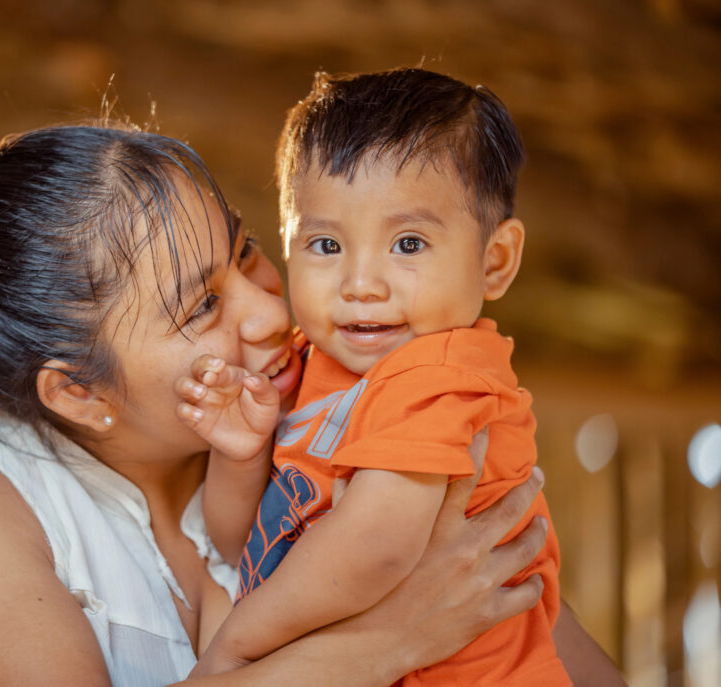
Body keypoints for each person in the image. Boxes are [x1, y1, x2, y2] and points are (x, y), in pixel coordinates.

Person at [0, 122, 614, 687]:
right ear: (78, 390)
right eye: (201, 307)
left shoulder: (318, 410)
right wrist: (386, 640)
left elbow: (520, 610)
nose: (272, 315)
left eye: (245, 252)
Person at [178, 68, 568, 685]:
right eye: (327, 246)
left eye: (408, 244)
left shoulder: (442, 379)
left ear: (495, 262)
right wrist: (241, 454)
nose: (361, 285)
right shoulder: (310, 364)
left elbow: (376, 549)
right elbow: (241, 546)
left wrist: (236, 653)